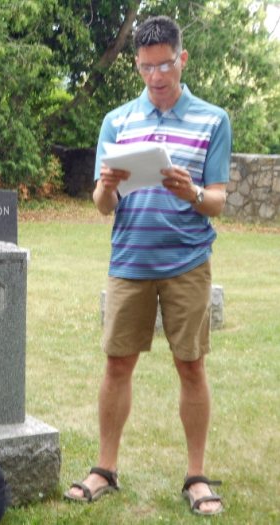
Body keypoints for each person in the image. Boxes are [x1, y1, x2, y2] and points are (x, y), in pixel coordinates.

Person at [64, 16, 231, 517]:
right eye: (145, 67)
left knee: (191, 366)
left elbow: (218, 200)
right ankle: (104, 470)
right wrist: (108, 185)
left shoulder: (212, 119)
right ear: (137, 66)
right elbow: (100, 204)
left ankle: (196, 476)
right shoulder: (117, 121)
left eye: (164, 64)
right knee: (117, 364)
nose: (156, 75)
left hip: (187, 261)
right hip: (130, 259)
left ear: (182, 59)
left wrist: (192, 192)